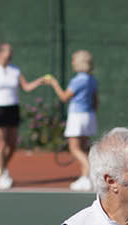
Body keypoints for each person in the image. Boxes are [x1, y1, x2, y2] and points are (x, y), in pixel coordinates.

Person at [0, 42, 49, 190]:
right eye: (6, 50)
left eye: (10, 51)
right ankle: (2, 175)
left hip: (12, 108)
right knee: (1, 143)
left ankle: (1, 166)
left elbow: (26, 87)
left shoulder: (15, 69)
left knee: (13, 145)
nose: (9, 53)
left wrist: (40, 81)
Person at [42, 50, 99, 191]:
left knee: (74, 148)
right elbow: (96, 102)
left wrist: (53, 83)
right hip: (89, 116)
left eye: (74, 60)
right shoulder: (92, 80)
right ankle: (85, 178)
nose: (72, 63)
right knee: (85, 148)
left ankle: (89, 171)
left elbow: (64, 97)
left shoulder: (78, 80)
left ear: (79, 63)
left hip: (77, 116)